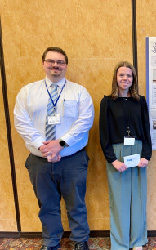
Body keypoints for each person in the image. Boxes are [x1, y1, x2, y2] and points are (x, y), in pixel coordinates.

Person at [14, 47, 94, 250]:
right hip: (39, 161)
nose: (55, 65)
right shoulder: (28, 92)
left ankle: (79, 240)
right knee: (47, 205)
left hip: (72, 159)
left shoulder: (79, 92)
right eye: (51, 61)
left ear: (66, 66)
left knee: (76, 203)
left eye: (60, 62)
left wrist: (60, 144)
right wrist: (43, 145)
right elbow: (22, 122)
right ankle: (51, 242)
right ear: (43, 64)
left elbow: (85, 121)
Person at [99, 61, 152, 250]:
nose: (125, 78)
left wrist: (146, 155)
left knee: (138, 199)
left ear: (133, 79)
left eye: (129, 75)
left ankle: (137, 241)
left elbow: (146, 130)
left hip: (138, 153)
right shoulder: (107, 102)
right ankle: (120, 242)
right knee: (119, 200)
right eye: (121, 75)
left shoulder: (140, 102)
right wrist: (112, 160)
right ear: (116, 78)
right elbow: (103, 134)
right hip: (117, 154)